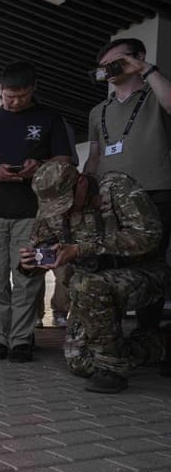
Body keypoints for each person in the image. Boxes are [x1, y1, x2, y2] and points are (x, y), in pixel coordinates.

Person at [20, 160, 171, 393]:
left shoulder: (116, 186)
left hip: (144, 274)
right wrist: (30, 265)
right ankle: (159, 343)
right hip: (90, 287)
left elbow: (149, 236)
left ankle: (113, 370)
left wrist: (83, 249)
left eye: (67, 204)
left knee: (83, 283)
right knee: (80, 362)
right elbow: (44, 251)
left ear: (81, 183)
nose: (64, 211)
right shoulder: (51, 205)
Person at [0, 61, 73, 363]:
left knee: (28, 276)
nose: (13, 102)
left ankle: (22, 339)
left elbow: (65, 161)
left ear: (32, 90)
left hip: (34, 213)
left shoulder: (50, 118)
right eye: (8, 96)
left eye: (21, 97)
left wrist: (40, 166)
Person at [83, 37, 171, 335]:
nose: (110, 69)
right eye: (104, 66)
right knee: (111, 260)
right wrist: (87, 188)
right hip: (109, 198)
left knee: (150, 262)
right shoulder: (98, 111)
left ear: (138, 56)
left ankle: (148, 333)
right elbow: (94, 155)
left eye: (116, 62)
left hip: (154, 192)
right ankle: (111, 333)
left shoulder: (155, 93)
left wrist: (145, 69)